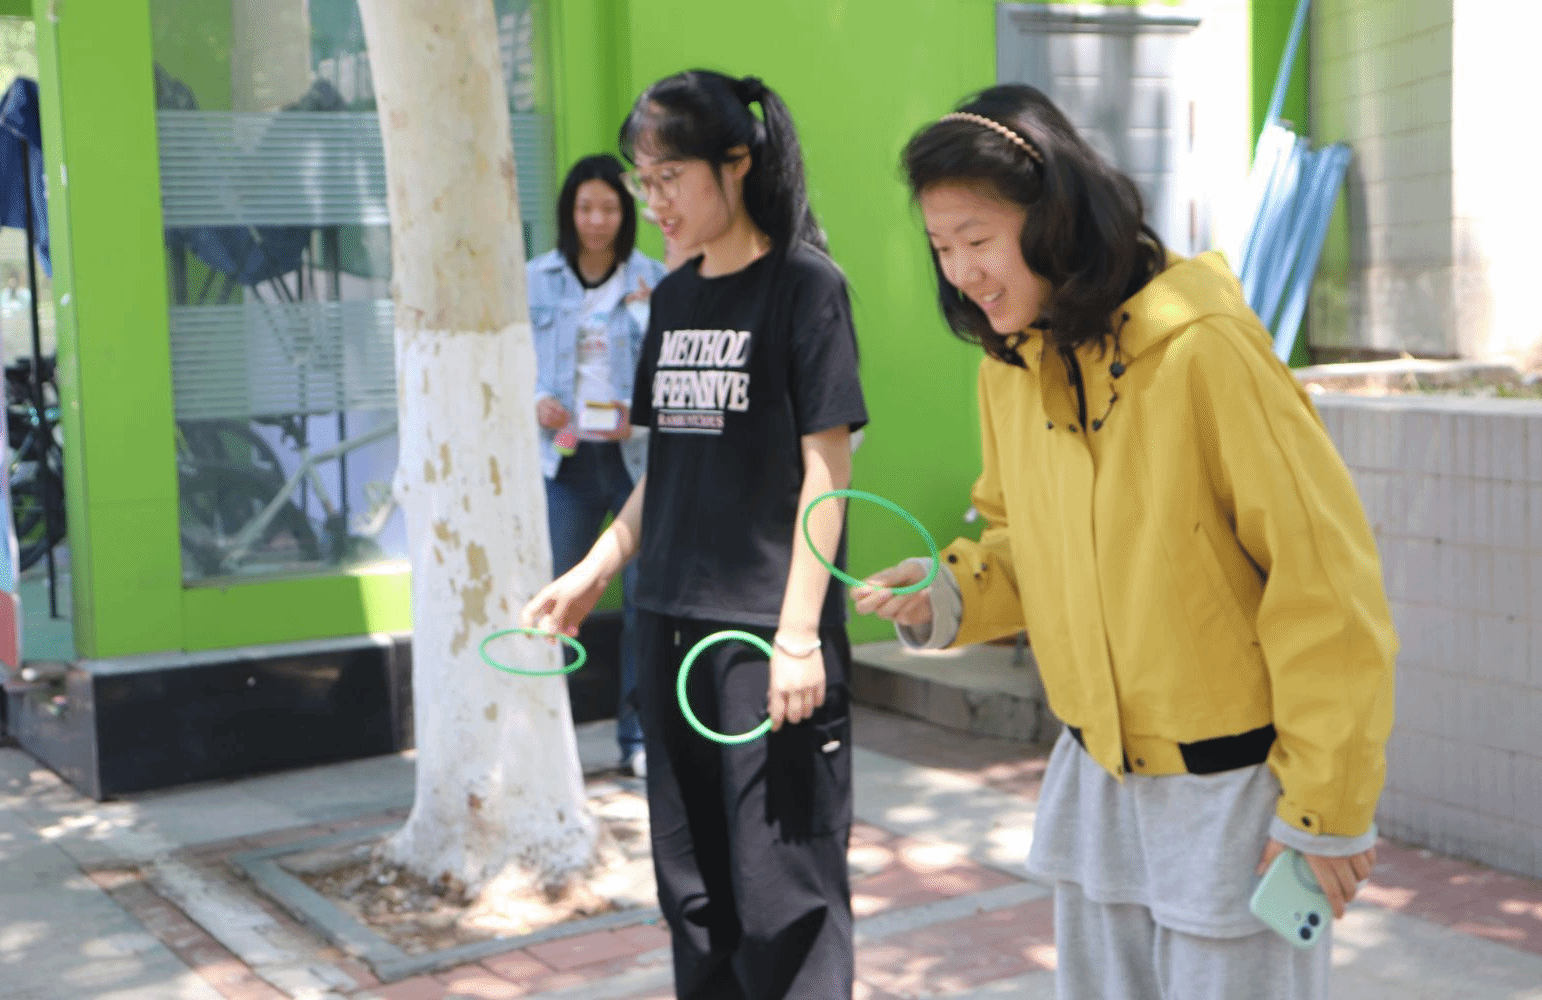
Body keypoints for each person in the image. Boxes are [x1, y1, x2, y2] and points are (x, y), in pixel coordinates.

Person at [855, 84, 1397, 999]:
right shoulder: (1010, 370)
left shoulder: (1204, 350)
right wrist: (948, 593)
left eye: (978, 240)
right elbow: (1028, 544)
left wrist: (1327, 808)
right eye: (942, 248)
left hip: (1235, 799)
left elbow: (1325, 583)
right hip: (1098, 791)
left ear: (1054, 218)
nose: (962, 272)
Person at [524, 70, 867, 1000]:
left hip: (765, 641)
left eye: (669, 177)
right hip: (668, 623)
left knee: (783, 900)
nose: (655, 202)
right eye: (646, 182)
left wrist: (800, 634)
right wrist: (595, 569)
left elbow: (828, 470)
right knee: (696, 897)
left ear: (736, 162)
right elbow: (666, 471)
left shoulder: (805, 287)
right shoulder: (672, 298)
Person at [528, 154, 667, 776]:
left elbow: (667, 369)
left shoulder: (653, 280)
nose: (597, 220)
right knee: (558, 597)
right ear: (569, 212)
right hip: (565, 461)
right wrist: (535, 400)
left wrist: (639, 414)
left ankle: (637, 739)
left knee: (642, 601)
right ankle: (547, 747)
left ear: (625, 214)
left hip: (634, 459)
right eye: (585, 207)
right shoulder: (537, 279)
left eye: (609, 207)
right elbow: (511, 361)